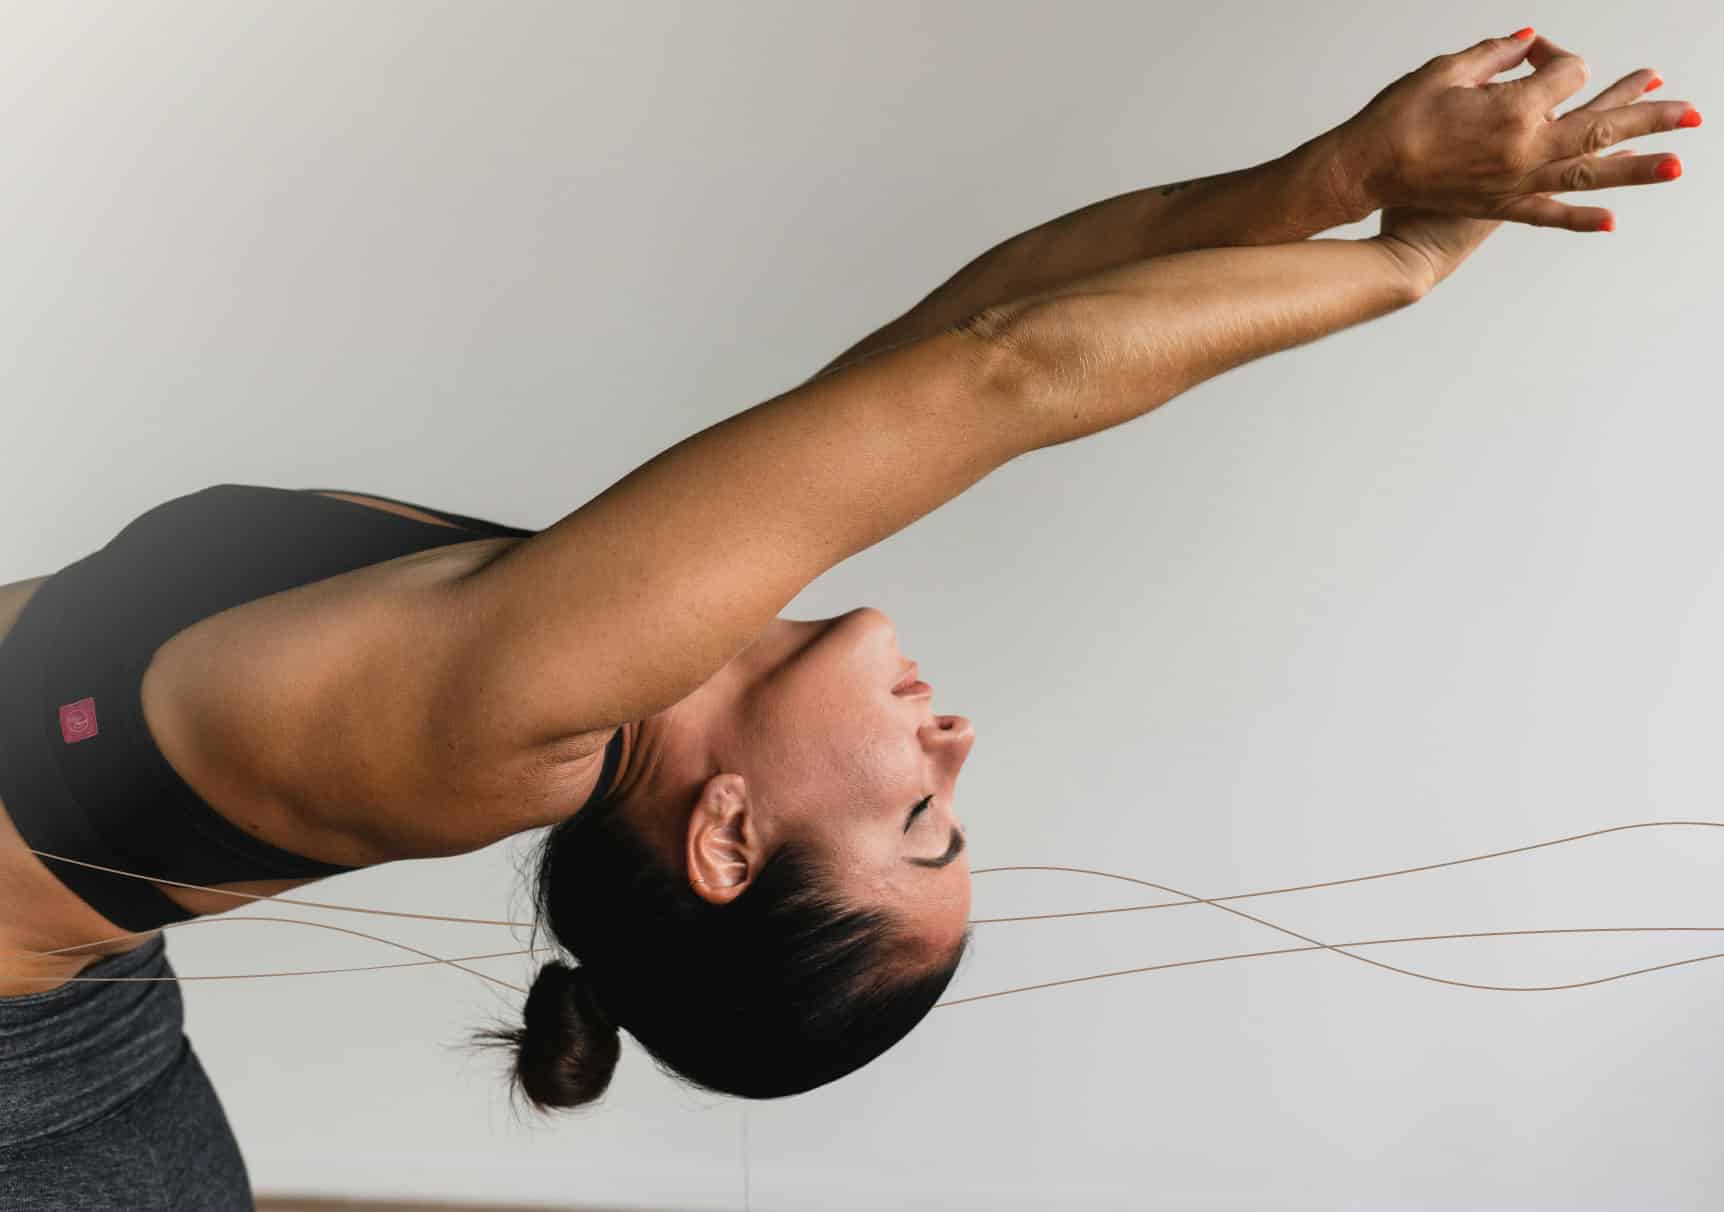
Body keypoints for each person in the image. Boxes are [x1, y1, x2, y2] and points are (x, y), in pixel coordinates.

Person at [0, 27, 1694, 1207]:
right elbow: (991, 318)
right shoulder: (634, 641)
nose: (956, 741)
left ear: (726, 839)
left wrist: (1415, 263)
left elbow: (1009, 379)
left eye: (922, 816)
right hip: (86, 1023)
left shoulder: (511, 718)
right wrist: (1339, 171)